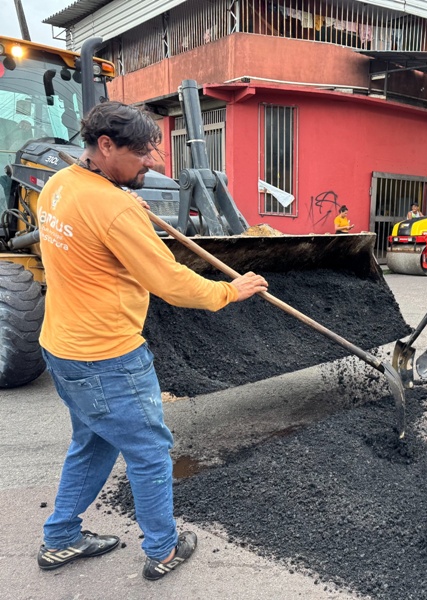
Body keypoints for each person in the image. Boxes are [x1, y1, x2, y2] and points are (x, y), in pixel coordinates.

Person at [35, 101, 269, 580]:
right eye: (142, 153)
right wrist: (232, 289)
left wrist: (123, 203)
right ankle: (163, 549)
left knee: (93, 444)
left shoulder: (60, 185)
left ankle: (60, 539)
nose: (154, 162)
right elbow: (173, 283)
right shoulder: (113, 207)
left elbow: (90, 226)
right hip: (108, 357)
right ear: (105, 146)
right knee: (148, 452)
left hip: (62, 348)